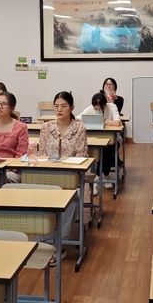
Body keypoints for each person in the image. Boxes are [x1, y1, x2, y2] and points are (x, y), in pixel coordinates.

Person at [38, 91, 88, 264]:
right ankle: (45, 239)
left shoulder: (79, 128)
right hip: (47, 177)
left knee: (73, 198)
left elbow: (82, 155)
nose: (59, 109)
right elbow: (42, 154)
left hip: (69, 178)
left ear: (72, 108)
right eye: (56, 106)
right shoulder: (46, 127)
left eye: (64, 106)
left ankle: (58, 243)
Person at [79, 92, 120, 193]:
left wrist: (100, 122)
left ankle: (100, 177)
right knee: (95, 150)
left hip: (112, 140)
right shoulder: (89, 109)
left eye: (99, 109)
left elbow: (117, 122)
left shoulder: (112, 107)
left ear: (104, 106)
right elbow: (77, 119)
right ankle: (100, 177)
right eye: (96, 109)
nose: (97, 111)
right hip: (95, 140)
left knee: (107, 149)